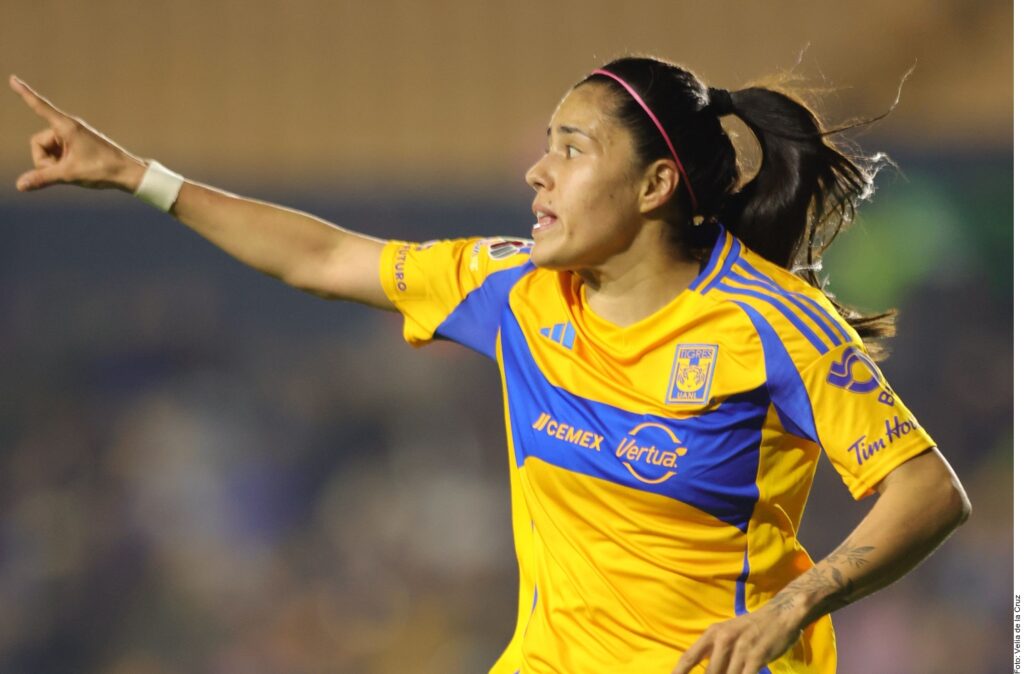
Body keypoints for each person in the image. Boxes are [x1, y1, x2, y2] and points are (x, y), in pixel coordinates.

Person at [9, 55, 970, 674]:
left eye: (571, 149)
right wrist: (138, 175)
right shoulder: (517, 289)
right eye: (544, 149)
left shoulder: (772, 323)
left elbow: (928, 492)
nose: (537, 172)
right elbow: (325, 257)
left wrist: (795, 606)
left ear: (655, 184)